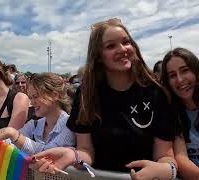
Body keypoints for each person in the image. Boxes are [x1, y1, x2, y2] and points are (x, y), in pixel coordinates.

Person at [33, 18, 177, 180]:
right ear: (99, 56)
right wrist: (72, 155)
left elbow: (165, 154)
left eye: (126, 42)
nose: (122, 49)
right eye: (111, 46)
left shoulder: (155, 92)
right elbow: (86, 152)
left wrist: (166, 168)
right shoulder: (86, 94)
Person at [161, 47, 199, 179]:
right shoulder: (173, 114)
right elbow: (182, 161)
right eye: (172, 75)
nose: (180, 79)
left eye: (185, 70)